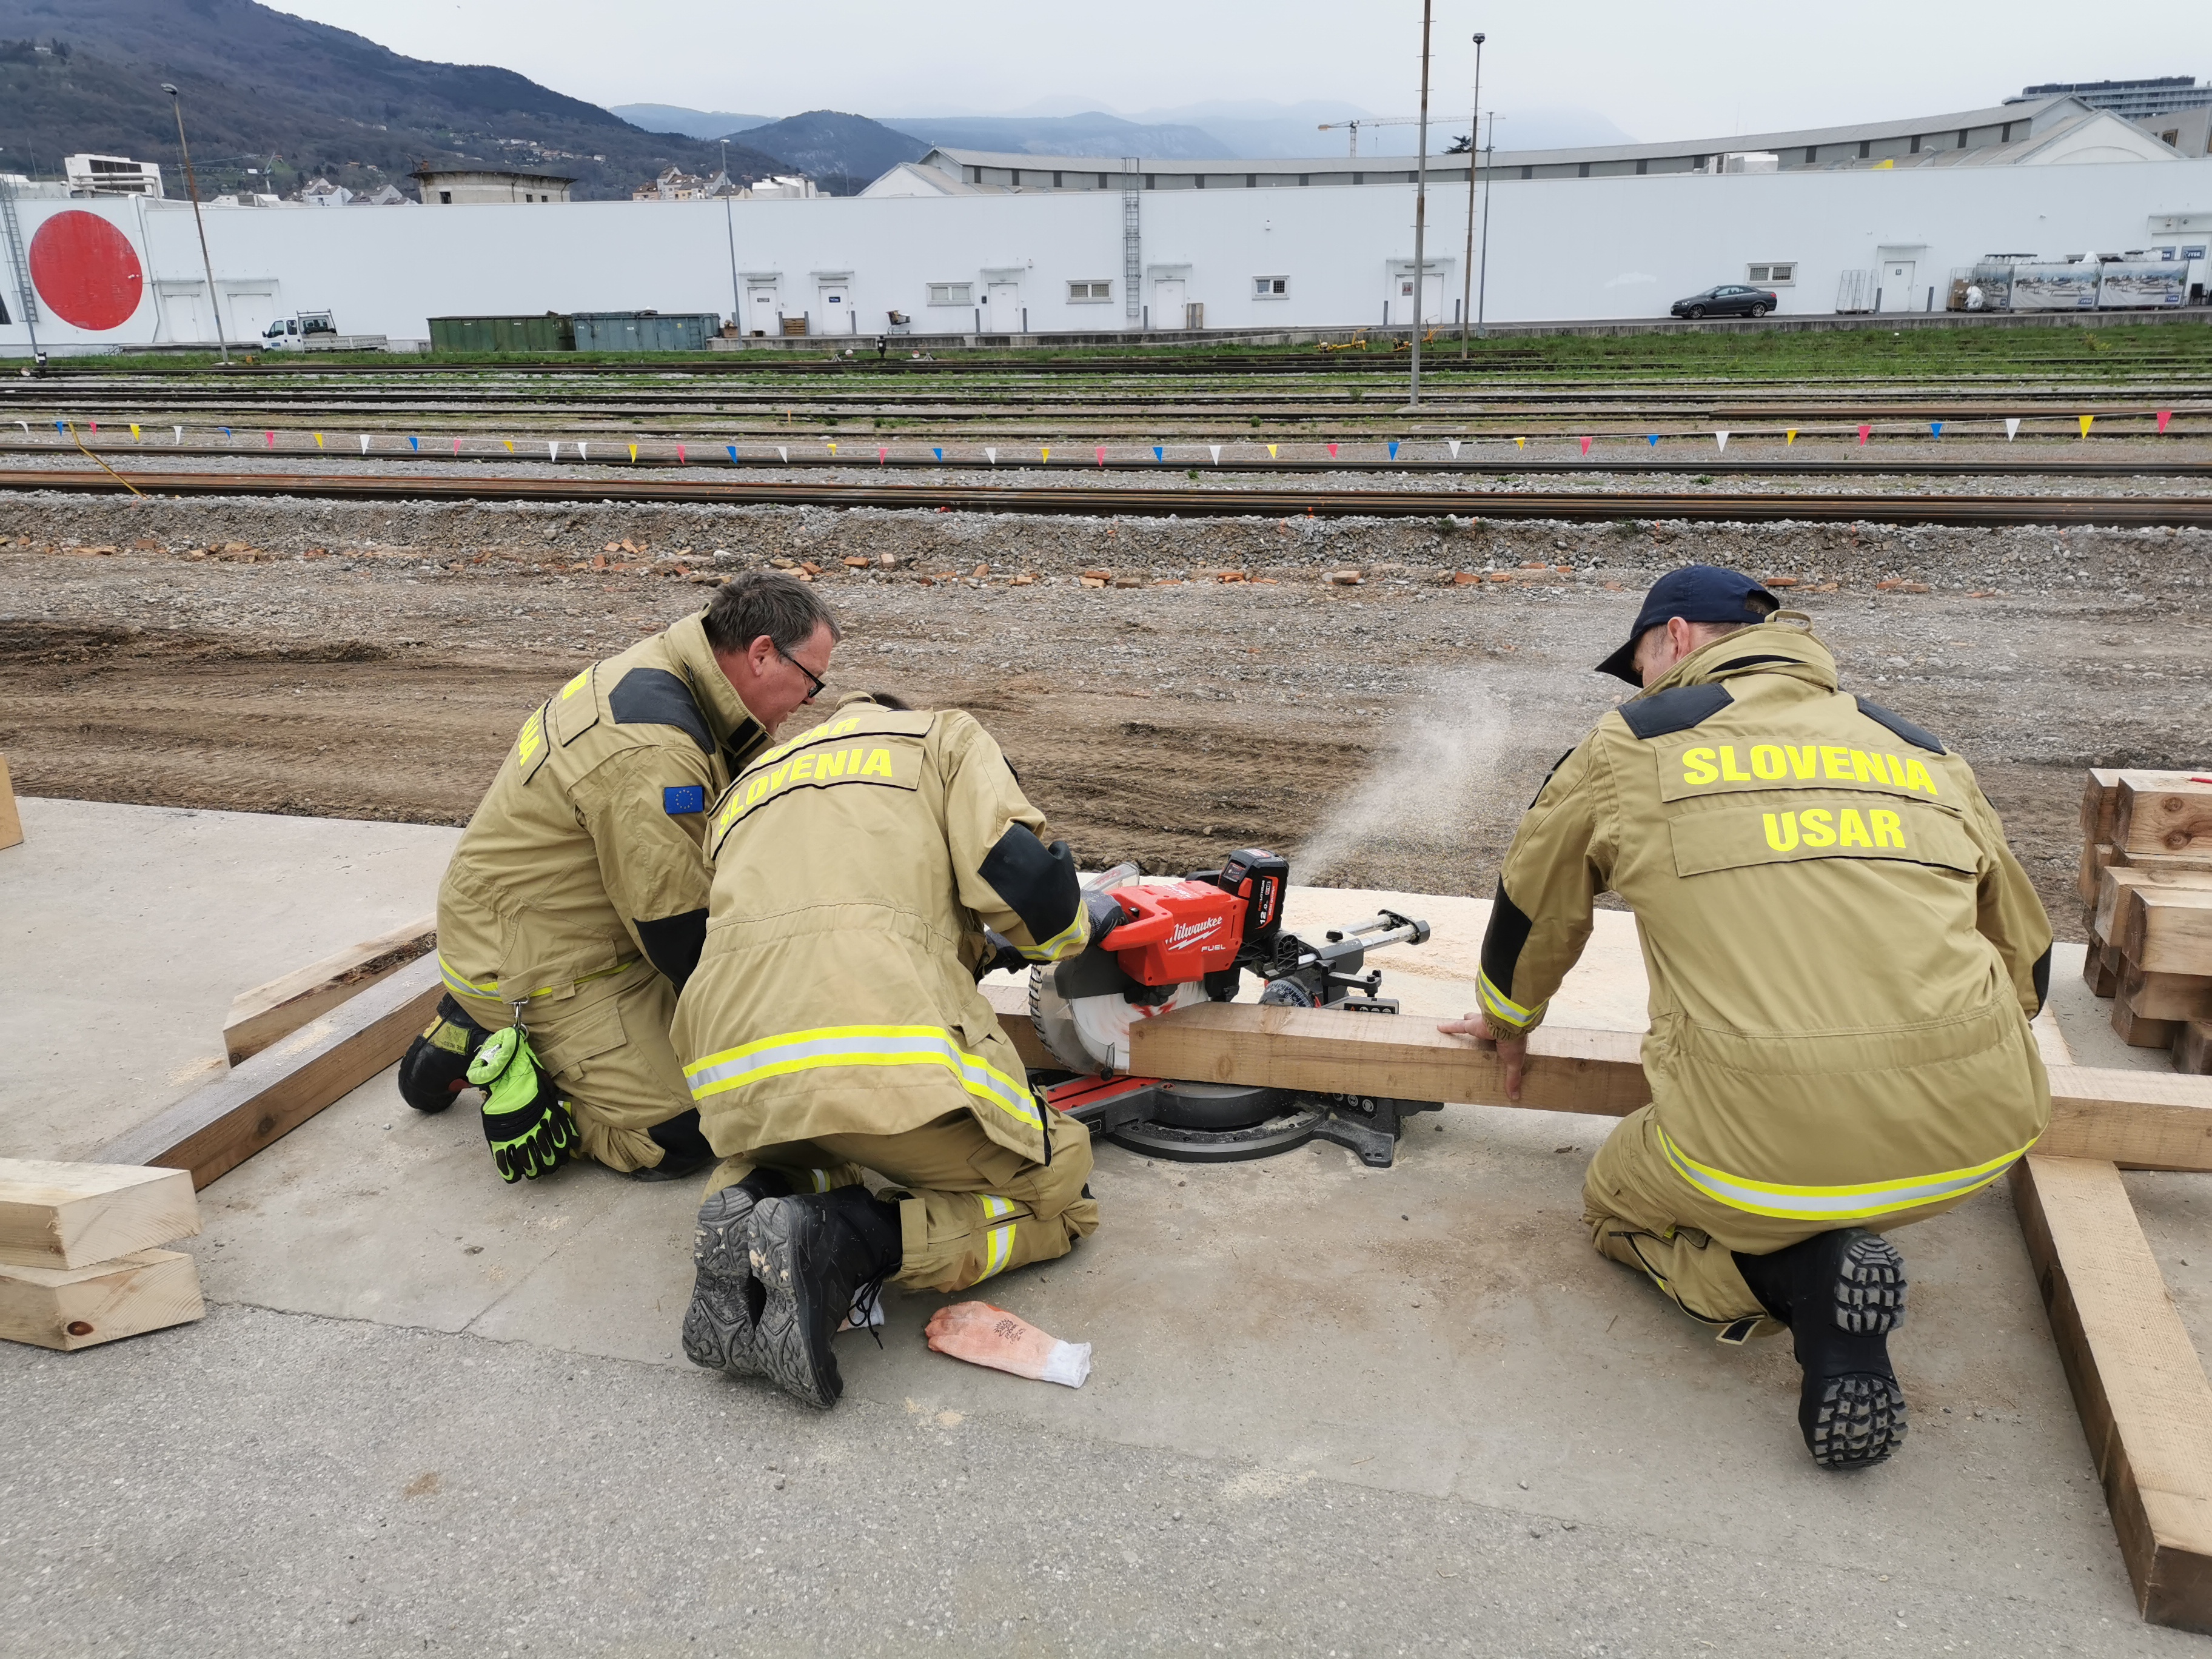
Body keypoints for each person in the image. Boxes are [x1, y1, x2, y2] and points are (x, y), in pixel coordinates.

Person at [1442, 565, 2051, 1470]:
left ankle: (1796, 1281)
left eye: (1640, 660)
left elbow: (1536, 902)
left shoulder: (1632, 742)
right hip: (1988, 1137)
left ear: (1678, 638)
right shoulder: (1916, 747)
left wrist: (1509, 1014)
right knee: (1839, 1147)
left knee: (1615, 1201)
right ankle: (1843, 1211)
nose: (1641, 682)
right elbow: (2027, 954)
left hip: (1757, 1157)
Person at [672, 692, 1102, 1409]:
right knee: (1065, 1190)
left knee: (818, 1144)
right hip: (871, 1044)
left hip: (730, 1069)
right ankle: (852, 1242)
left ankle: (746, 1209)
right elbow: (1026, 890)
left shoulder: (748, 784)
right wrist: (1063, 935)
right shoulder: (943, 740)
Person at [399, 572, 840, 1184]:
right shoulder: (654, 752)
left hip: (574, 920)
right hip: (540, 963)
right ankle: (495, 1047)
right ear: (762, 654)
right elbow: (678, 934)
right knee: (695, 1126)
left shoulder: (678, 668)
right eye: (812, 679)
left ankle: (478, 1021)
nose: (812, 699)